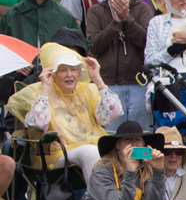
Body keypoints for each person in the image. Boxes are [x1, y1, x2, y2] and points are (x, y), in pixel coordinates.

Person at [21, 45, 118, 177]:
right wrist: (45, 89)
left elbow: (112, 115)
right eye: (63, 70)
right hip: (56, 153)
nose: (69, 74)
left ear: (80, 73)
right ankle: (98, 197)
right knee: (90, 152)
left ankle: (129, 196)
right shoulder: (41, 92)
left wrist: (97, 79)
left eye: (73, 69)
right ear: (53, 74)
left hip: (91, 147)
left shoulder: (88, 90)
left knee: (125, 147)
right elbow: (38, 124)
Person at [84, 0, 154, 123]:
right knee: (111, 136)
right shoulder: (96, 11)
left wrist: (127, 19)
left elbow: (147, 42)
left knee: (141, 133)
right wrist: (115, 23)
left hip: (139, 83)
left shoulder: (142, 8)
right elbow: (93, 46)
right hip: (107, 85)